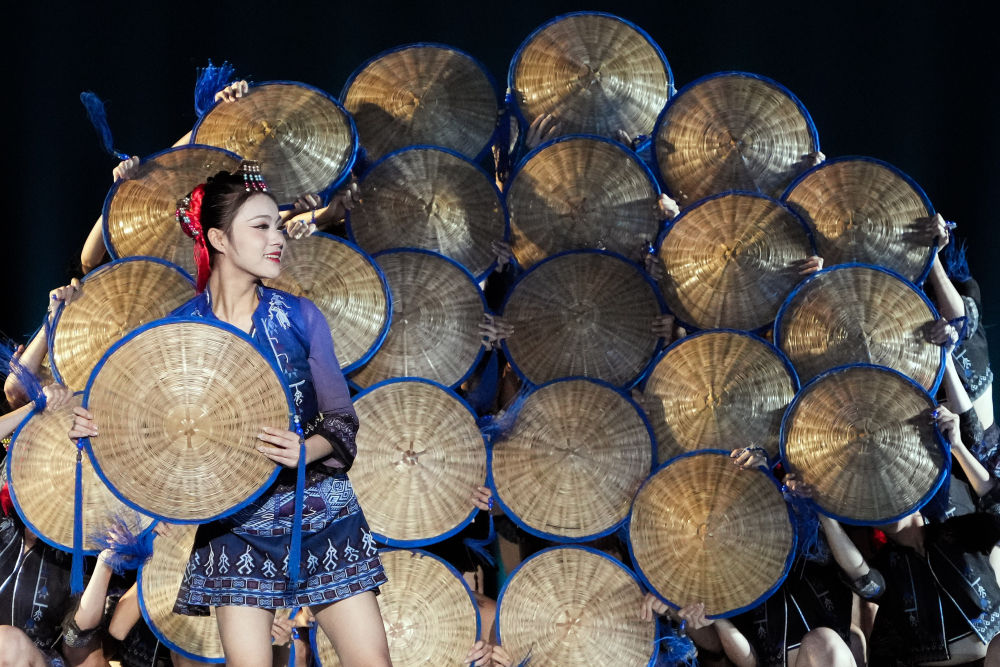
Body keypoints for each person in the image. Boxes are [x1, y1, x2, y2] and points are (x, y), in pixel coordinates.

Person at [69, 161, 391, 667]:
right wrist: (98, 429)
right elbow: (149, 430)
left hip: (322, 513)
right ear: (218, 239)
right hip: (235, 526)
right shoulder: (179, 332)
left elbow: (341, 420)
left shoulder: (300, 316)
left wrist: (306, 449)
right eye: (261, 226)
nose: (277, 238)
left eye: (278, 226)